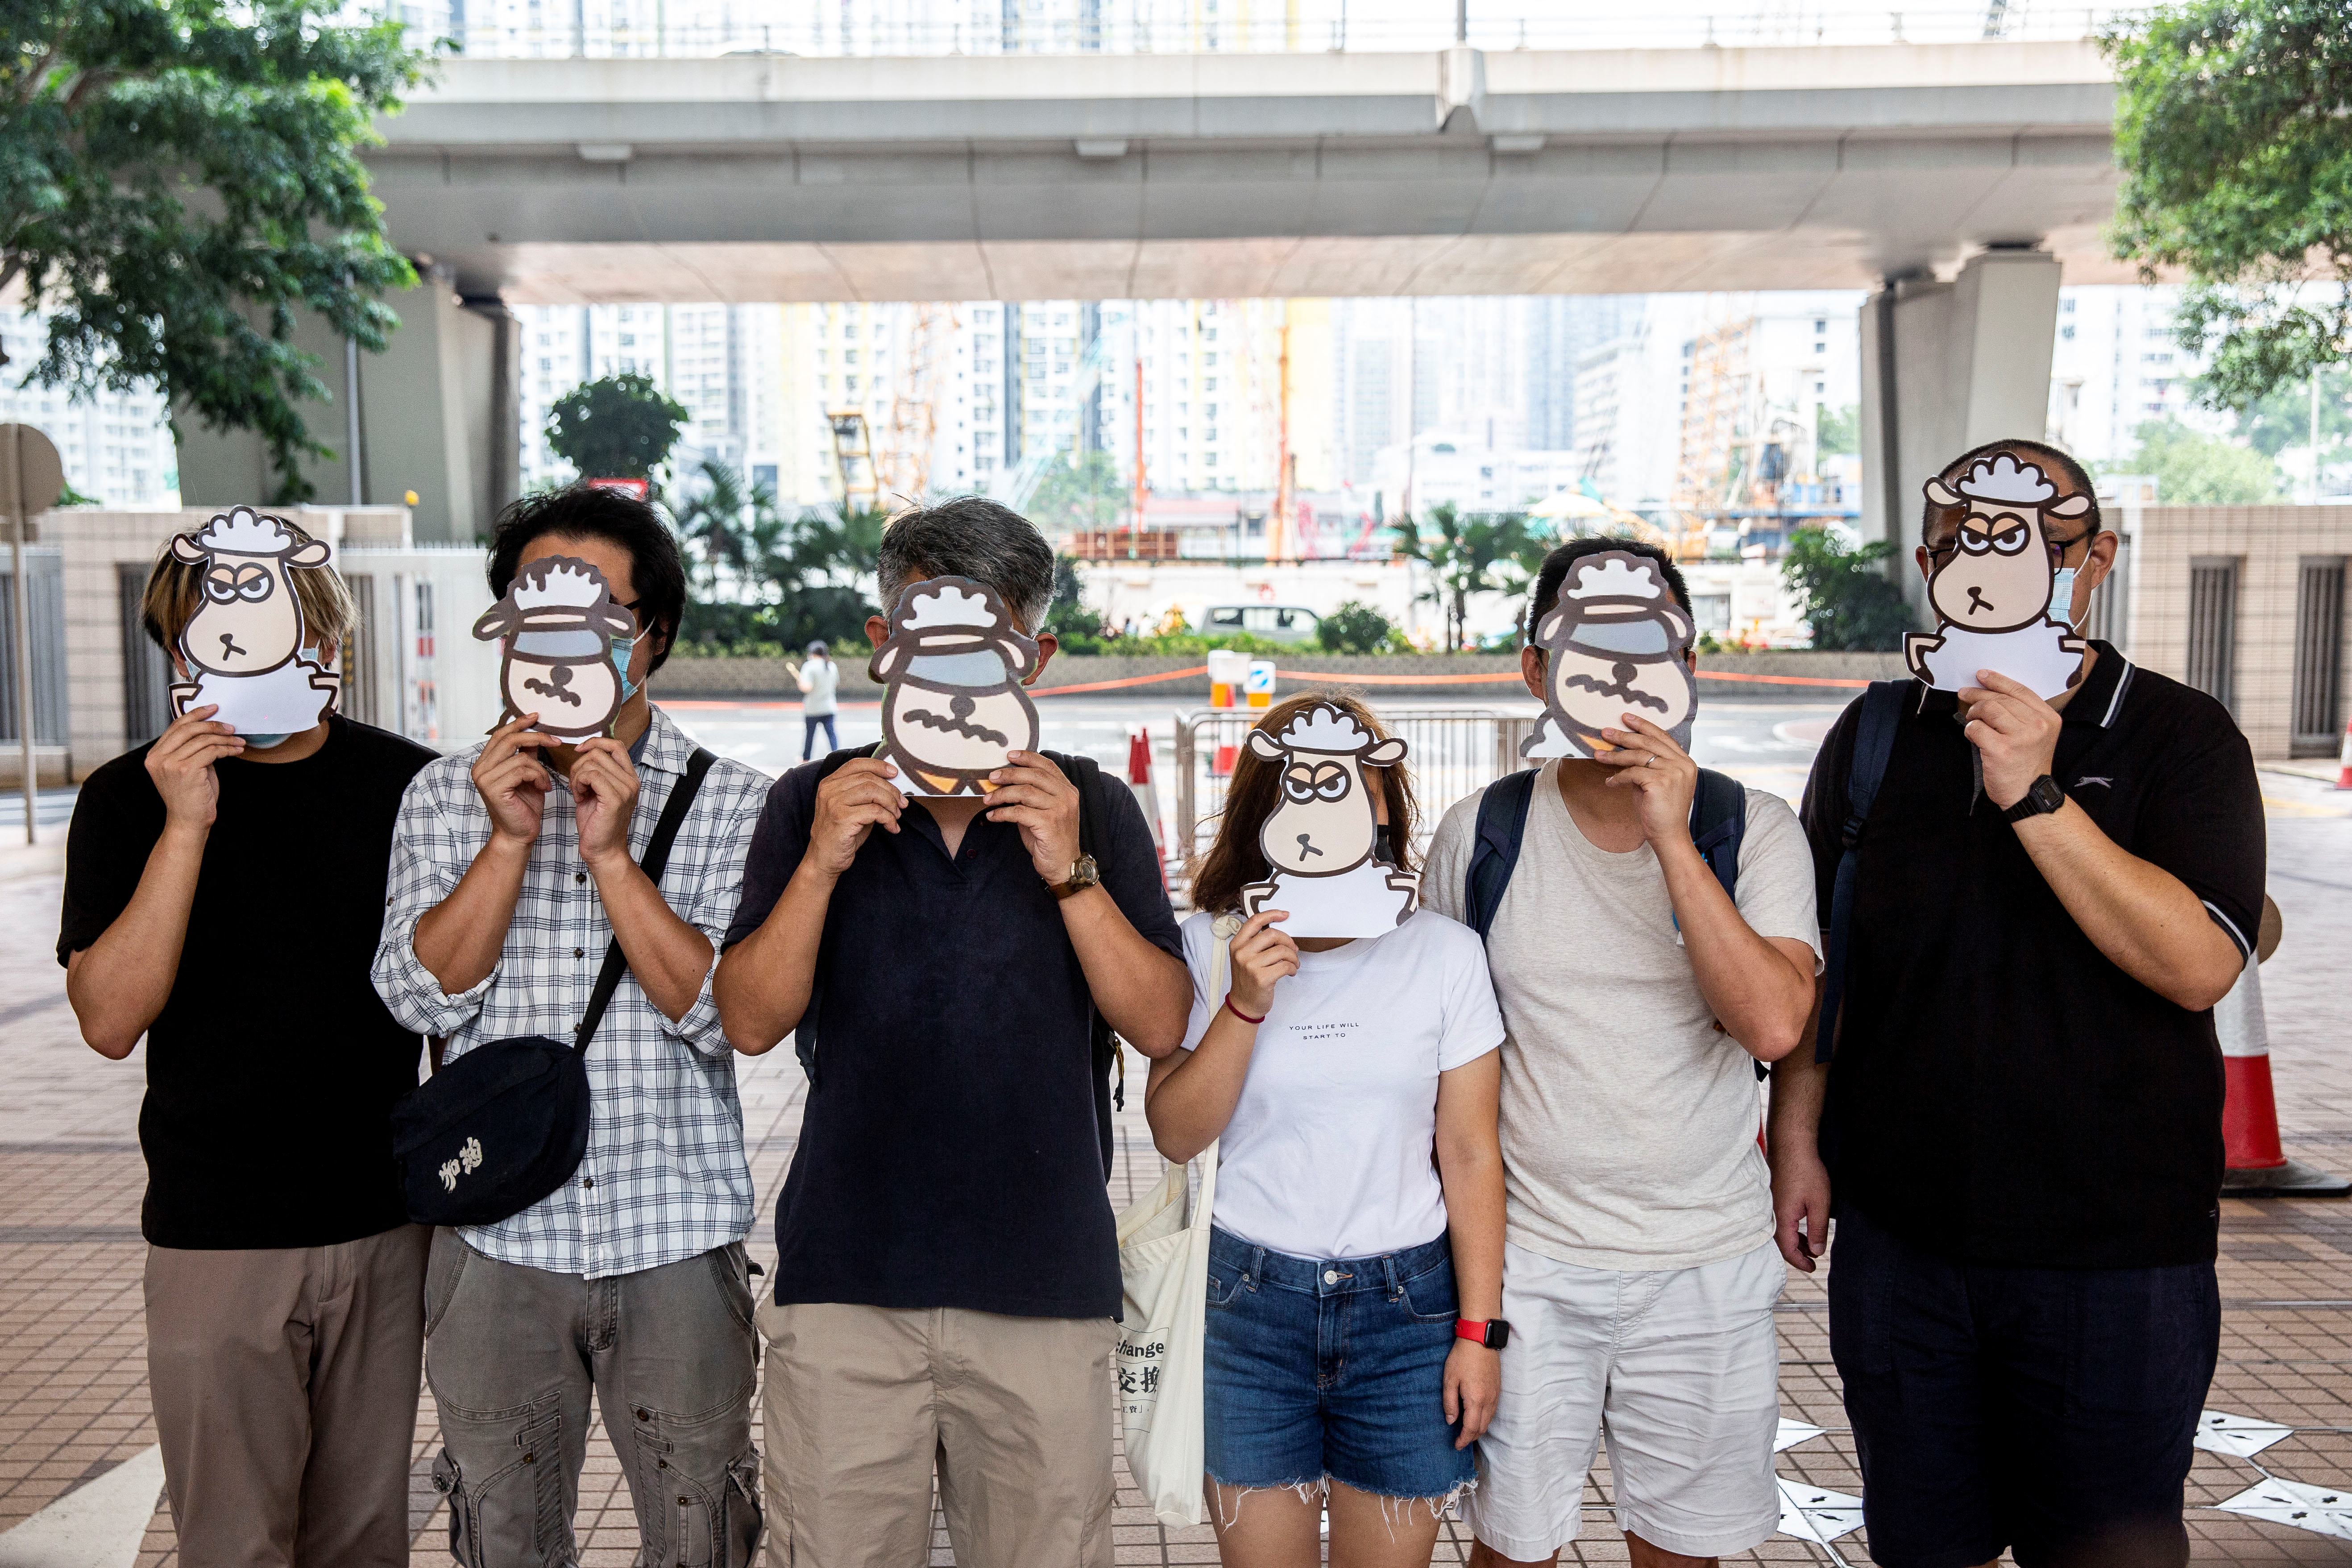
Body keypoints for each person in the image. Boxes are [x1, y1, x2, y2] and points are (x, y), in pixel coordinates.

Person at [1769, 438, 2262, 1568]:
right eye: (1963, 545)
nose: (1993, 568)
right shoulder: (1882, 731)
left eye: (2038, 543)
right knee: (1921, 1544)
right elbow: (1825, 962)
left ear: (2095, 563)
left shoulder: (2182, 738)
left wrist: (2035, 794)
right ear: (1929, 561)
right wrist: (1796, 1138)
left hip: (2119, 1264)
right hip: (1903, 1251)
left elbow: (2198, 963)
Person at [713, 496, 1192, 1568]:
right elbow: (749, 1019)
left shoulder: (1097, 807)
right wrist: (824, 860)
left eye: (991, 642)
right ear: (885, 643)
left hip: (1044, 1287)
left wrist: (1068, 868)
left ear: (1040, 654)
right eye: (924, 632)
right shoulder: (810, 802)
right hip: (843, 1281)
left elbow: (1161, 1020)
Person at [371, 485, 772, 1567]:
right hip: (496, 1238)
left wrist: (609, 856)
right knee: (503, 1536)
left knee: (702, 1534)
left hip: (674, 1234)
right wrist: (506, 844)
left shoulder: (735, 801)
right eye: (533, 613)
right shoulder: (446, 795)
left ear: (653, 638)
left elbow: (725, 1015)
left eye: (596, 620)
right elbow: (419, 998)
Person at [1421, 537, 1822, 1568]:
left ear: (1690, 664)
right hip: (1528, 1263)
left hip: (1705, 1262)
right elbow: (1432, 1054)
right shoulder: (1485, 833)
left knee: (1682, 1550)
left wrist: (1676, 841)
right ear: (1534, 668)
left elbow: (1775, 1024)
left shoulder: (1752, 828)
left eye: (1648, 648)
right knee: (1511, 1547)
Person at [58, 520, 437, 1566]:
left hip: (379, 1226)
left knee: (365, 1539)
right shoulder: (127, 797)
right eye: (196, 635)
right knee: (232, 1544)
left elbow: (455, 997)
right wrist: (186, 823)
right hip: (212, 1232)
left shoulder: (408, 788)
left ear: (319, 632)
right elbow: (108, 1018)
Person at [1145, 692, 1508, 1568]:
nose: (1325, 809)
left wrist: (1478, 1332)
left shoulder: (1445, 953)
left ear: (1385, 805)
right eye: (1299, 788)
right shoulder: (1209, 941)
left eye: (1350, 787)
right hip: (1247, 1305)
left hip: (1409, 1311)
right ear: (1262, 812)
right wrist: (1244, 1002)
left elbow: (1467, 1152)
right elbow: (1175, 1131)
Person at [793, 638, 839, 759]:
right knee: (831, 735)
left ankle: (806, 758)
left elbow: (807, 688)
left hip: (813, 708)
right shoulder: (832, 666)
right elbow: (835, 684)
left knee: (810, 735)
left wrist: (800, 683)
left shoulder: (809, 666)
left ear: (812, 653)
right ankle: (839, 757)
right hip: (829, 707)